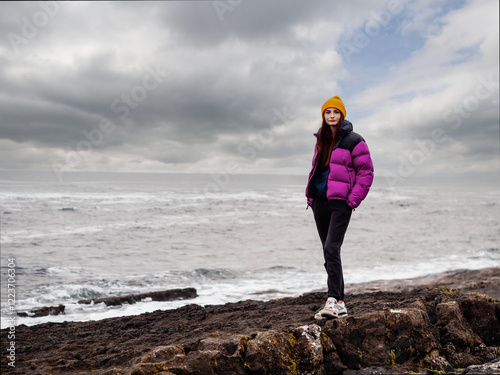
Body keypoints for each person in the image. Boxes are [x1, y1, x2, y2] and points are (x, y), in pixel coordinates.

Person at [305, 95, 374, 320]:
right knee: (329, 251)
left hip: (341, 203)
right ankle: (340, 302)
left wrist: (353, 200)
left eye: (336, 112)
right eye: (328, 112)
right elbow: (318, 169)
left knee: (331, 249)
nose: (332, 116)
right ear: (324, 116)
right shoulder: (321, 139)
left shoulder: (354, 140)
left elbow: (366, 172)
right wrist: (312, 197)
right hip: (319, 202)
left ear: (341, 115)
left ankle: (332, 300)